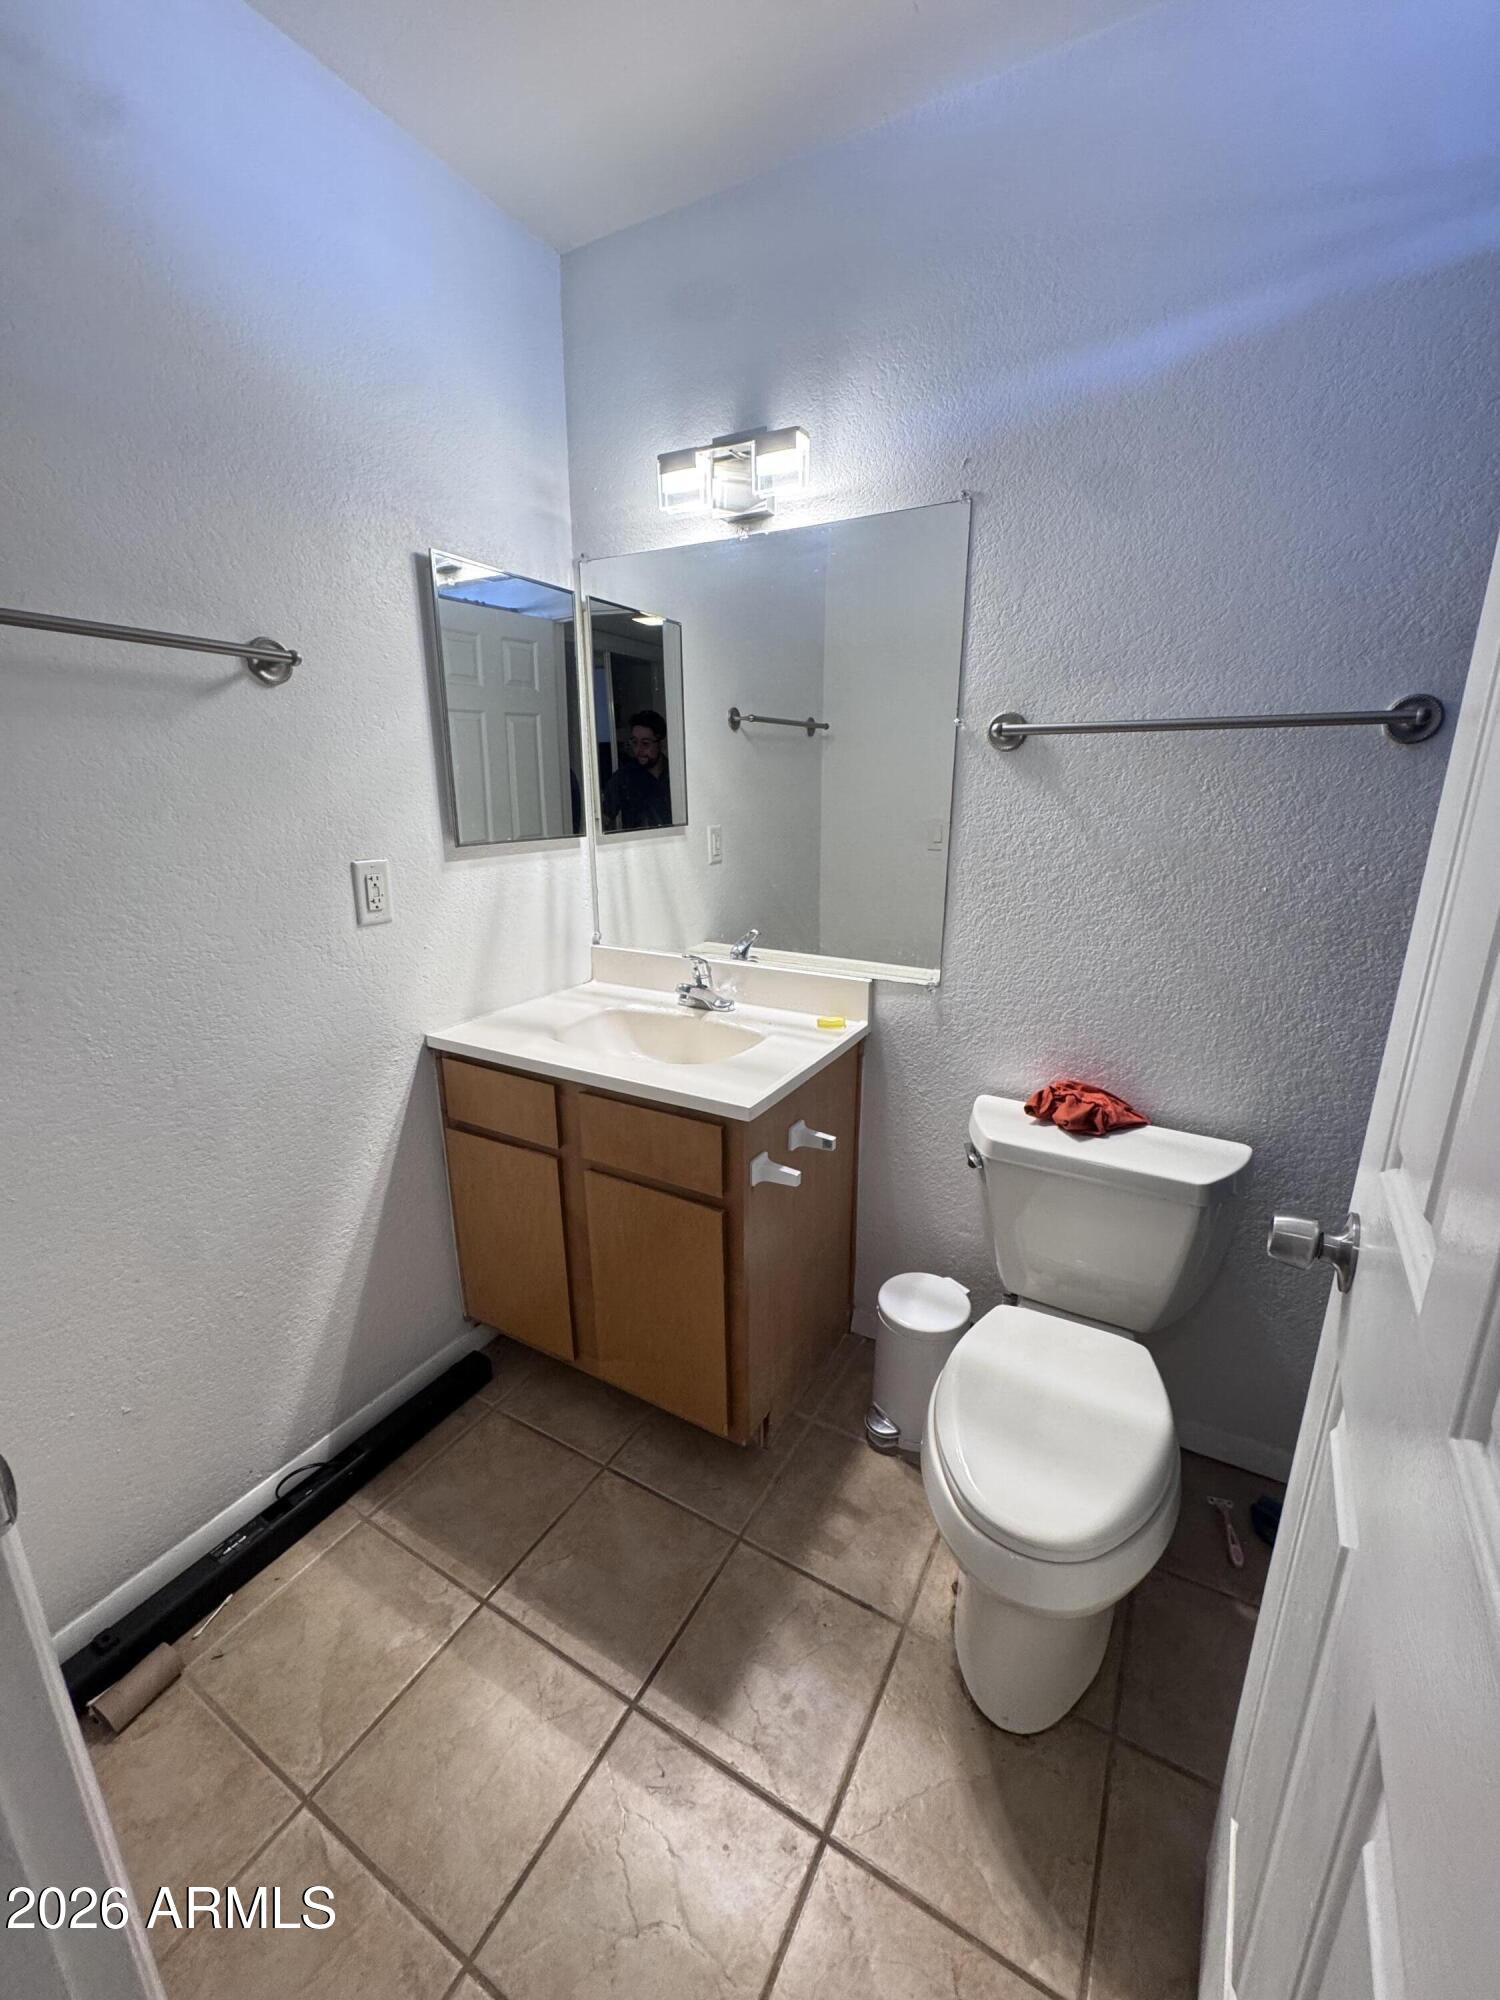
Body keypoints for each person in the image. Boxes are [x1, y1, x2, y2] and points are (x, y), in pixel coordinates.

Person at [602, 709, 673, 829]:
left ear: (661, 743)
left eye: (645, 743)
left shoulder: (676, 774)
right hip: (638, 845)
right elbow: (602, 820)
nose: (638, 750)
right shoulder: (623, 778)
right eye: (634, 742)